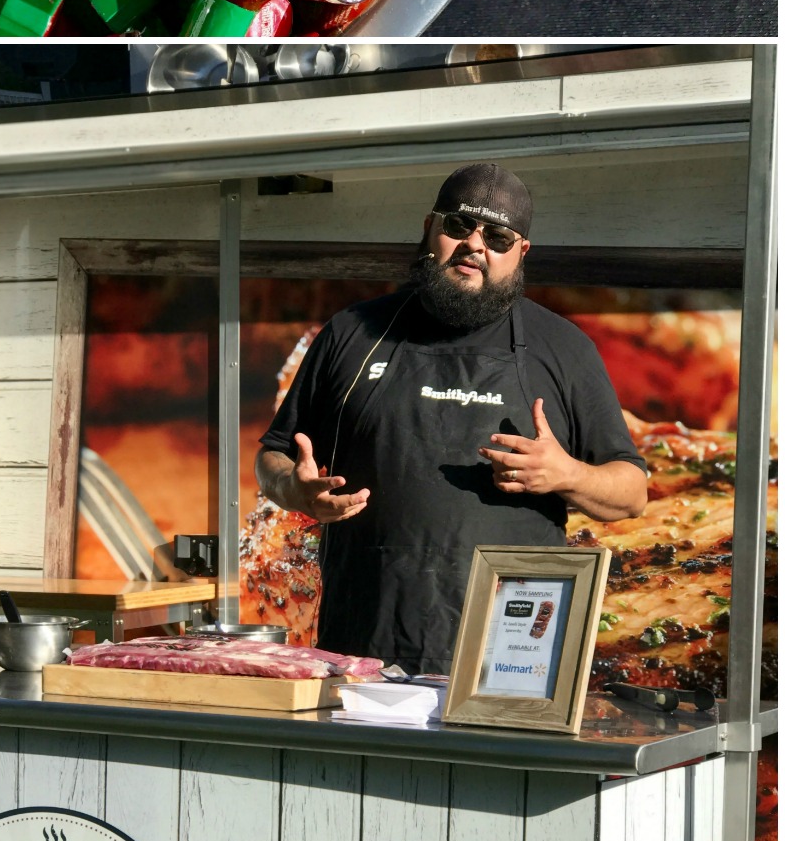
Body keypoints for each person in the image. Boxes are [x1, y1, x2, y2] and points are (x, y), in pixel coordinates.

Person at [255, 161, 649, 674]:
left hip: (512, 663)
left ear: (521, 252)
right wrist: (296, 492)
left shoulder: (564, 349)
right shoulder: (353, 333)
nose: (474, 245)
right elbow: (274, 458)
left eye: (499, 236)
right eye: (458, 226)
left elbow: (632, 491)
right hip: (363, 650)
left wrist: (566, 474)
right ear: (430, 228)